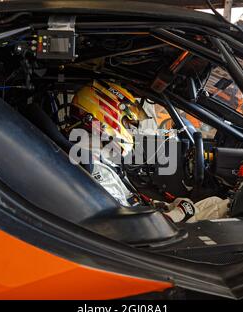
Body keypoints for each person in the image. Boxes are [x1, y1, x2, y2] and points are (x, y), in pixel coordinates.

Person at [63, 80, 229, 222]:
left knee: (213, 202)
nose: (130, 130)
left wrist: (163, 205)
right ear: (106, 116)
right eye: (127, 123)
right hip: (151, 234)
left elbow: (127, 202)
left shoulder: (98, 158)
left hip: (147, 219)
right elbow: (124, 223)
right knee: (226, 208)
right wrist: (177, 213)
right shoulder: (94, 167)